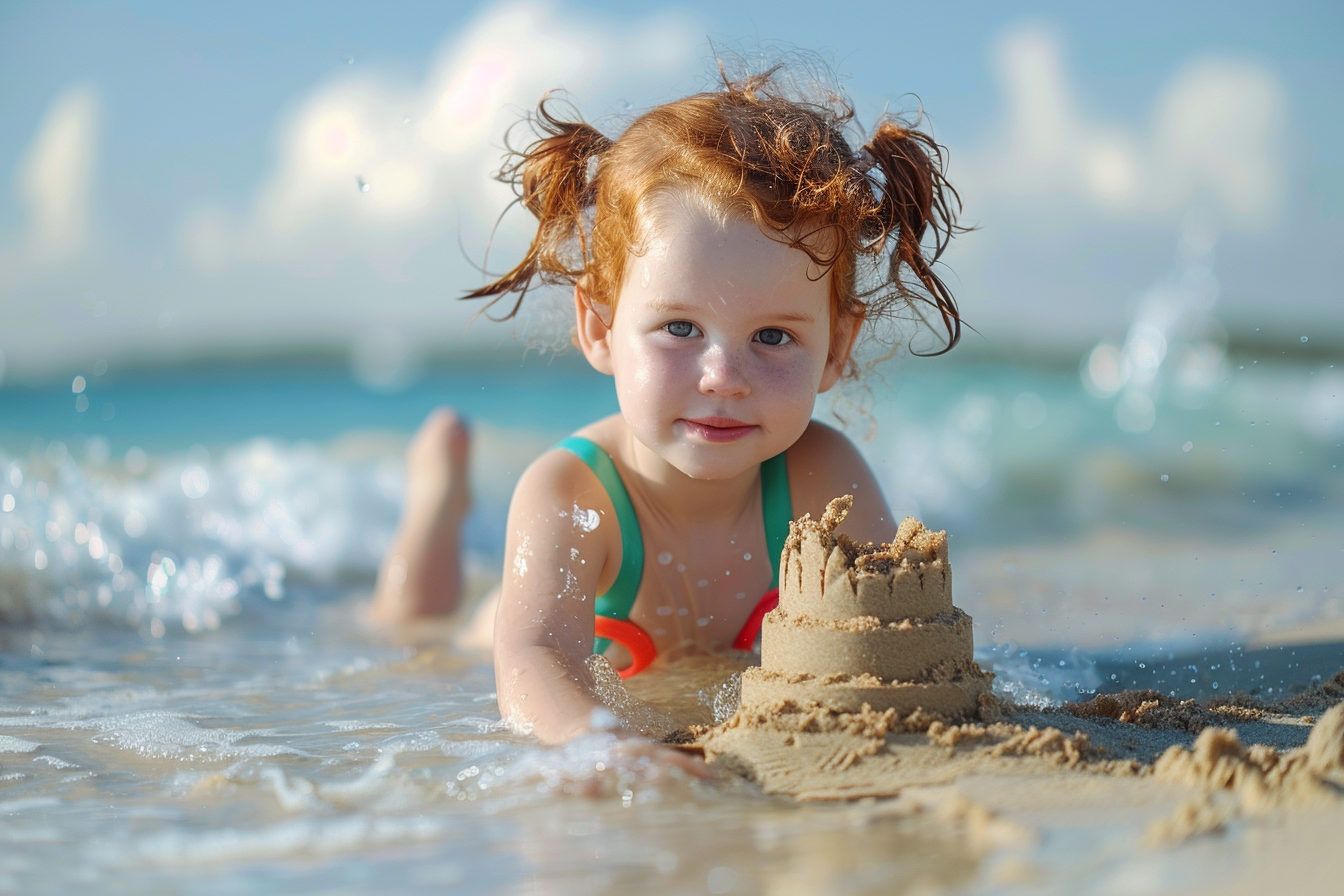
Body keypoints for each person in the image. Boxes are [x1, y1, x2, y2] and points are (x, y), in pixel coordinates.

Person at [370, 66, 964, 745]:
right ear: (600, 328)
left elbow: (902, 635)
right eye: (681, 329)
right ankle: (436, 502)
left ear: (836, 349)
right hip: (491, 634)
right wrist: (602, 749)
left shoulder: (822, 478)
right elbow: (534, 662)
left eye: (773, 337)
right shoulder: (570, 496)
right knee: (414, 628)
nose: (723, 377)